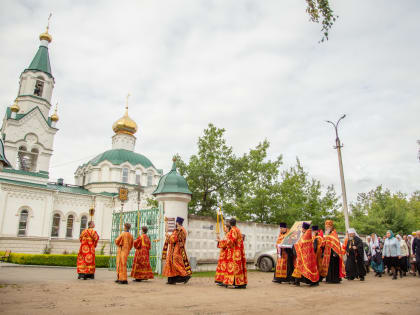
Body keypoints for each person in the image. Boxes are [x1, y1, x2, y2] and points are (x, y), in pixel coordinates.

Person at [217, 218, 247, 289]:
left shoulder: (233, 230)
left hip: (234, 252)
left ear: (230, 224)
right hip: (239, 251)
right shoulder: (238, 229)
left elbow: (231, 241)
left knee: (233, 267)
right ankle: (240, 283)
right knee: (238, 267)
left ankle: (238, 283)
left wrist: (222, 242)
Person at [163, 217, 192, 285]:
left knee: (175, 262)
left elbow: (173, 239)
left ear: (177, 223)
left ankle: (185, 276)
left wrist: (167, 236)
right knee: (171, 263)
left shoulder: (179, 230)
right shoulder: (183, 230)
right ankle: (171, 279)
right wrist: (169, 237)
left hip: (176, 249)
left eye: (176, 222)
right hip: (178, 249)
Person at [292, 222, 319, 287]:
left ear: (304, 228)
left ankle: (313, 282)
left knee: (309, 268)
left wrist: (295, 244)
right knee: (299, 267)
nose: (302, 229)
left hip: (308, 256)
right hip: (303, 255)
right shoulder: (304, 234)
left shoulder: (307, 234)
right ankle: (297, 281)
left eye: (302, 228)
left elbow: (302, 243)